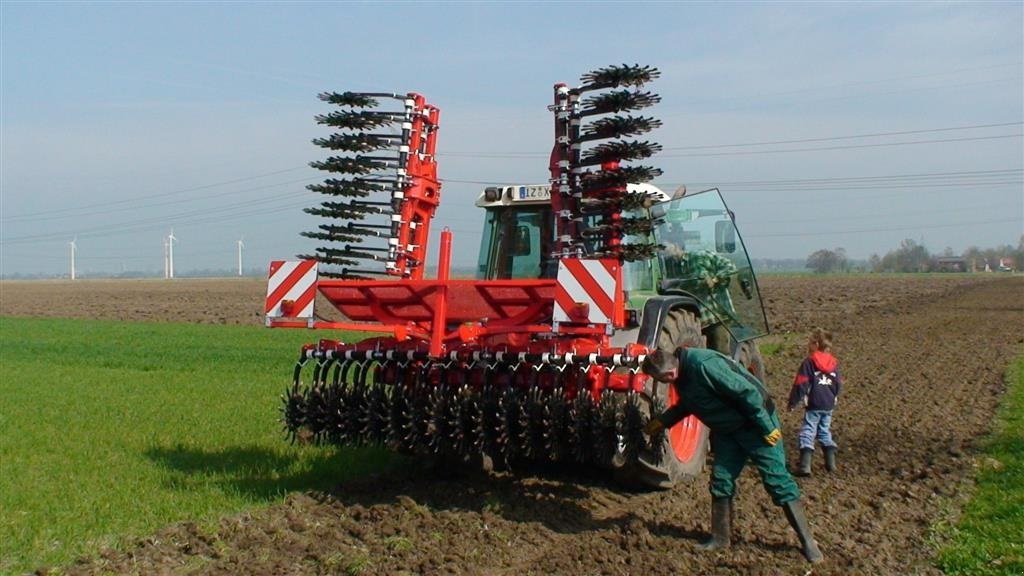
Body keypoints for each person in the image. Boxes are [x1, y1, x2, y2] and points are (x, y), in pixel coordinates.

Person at [642, 347, 824, 564]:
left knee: (777, 481)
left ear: (670, 369)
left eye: (663, 377)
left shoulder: (704, 365)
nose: (665, 381)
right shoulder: (681, 376)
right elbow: (690, 404)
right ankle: (720, 538)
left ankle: (808, 543)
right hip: (729, 431)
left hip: (755, 425)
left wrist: (766, 426)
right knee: (721, 479)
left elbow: (746, 392)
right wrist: (663, 421)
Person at [787, 328, 843, 476]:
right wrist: (834, 397)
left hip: (814, 403)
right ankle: (831, 465)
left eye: (810, 342)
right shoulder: (834, 363)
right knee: (824, 431)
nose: (808, 345)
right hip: (829, 404)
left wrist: (793, 402)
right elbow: (838, 383)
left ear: (816, 344)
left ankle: (805, 467)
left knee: (808, 431)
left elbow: (801, 383)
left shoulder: (809, 362)